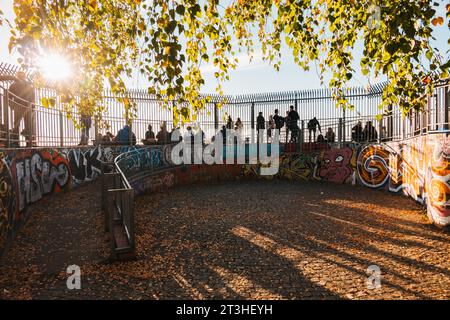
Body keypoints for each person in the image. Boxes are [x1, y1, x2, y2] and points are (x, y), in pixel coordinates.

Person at [0, 71, 36, 146]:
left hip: (22, 107)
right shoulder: (28, 85)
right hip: (25, 108)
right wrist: (32, 107)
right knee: (25, 125)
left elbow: (9, 96)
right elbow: (33, 97)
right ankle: (28, 142)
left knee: (18, 125)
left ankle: (18, 142)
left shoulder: (14, 85)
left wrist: (12, 106)